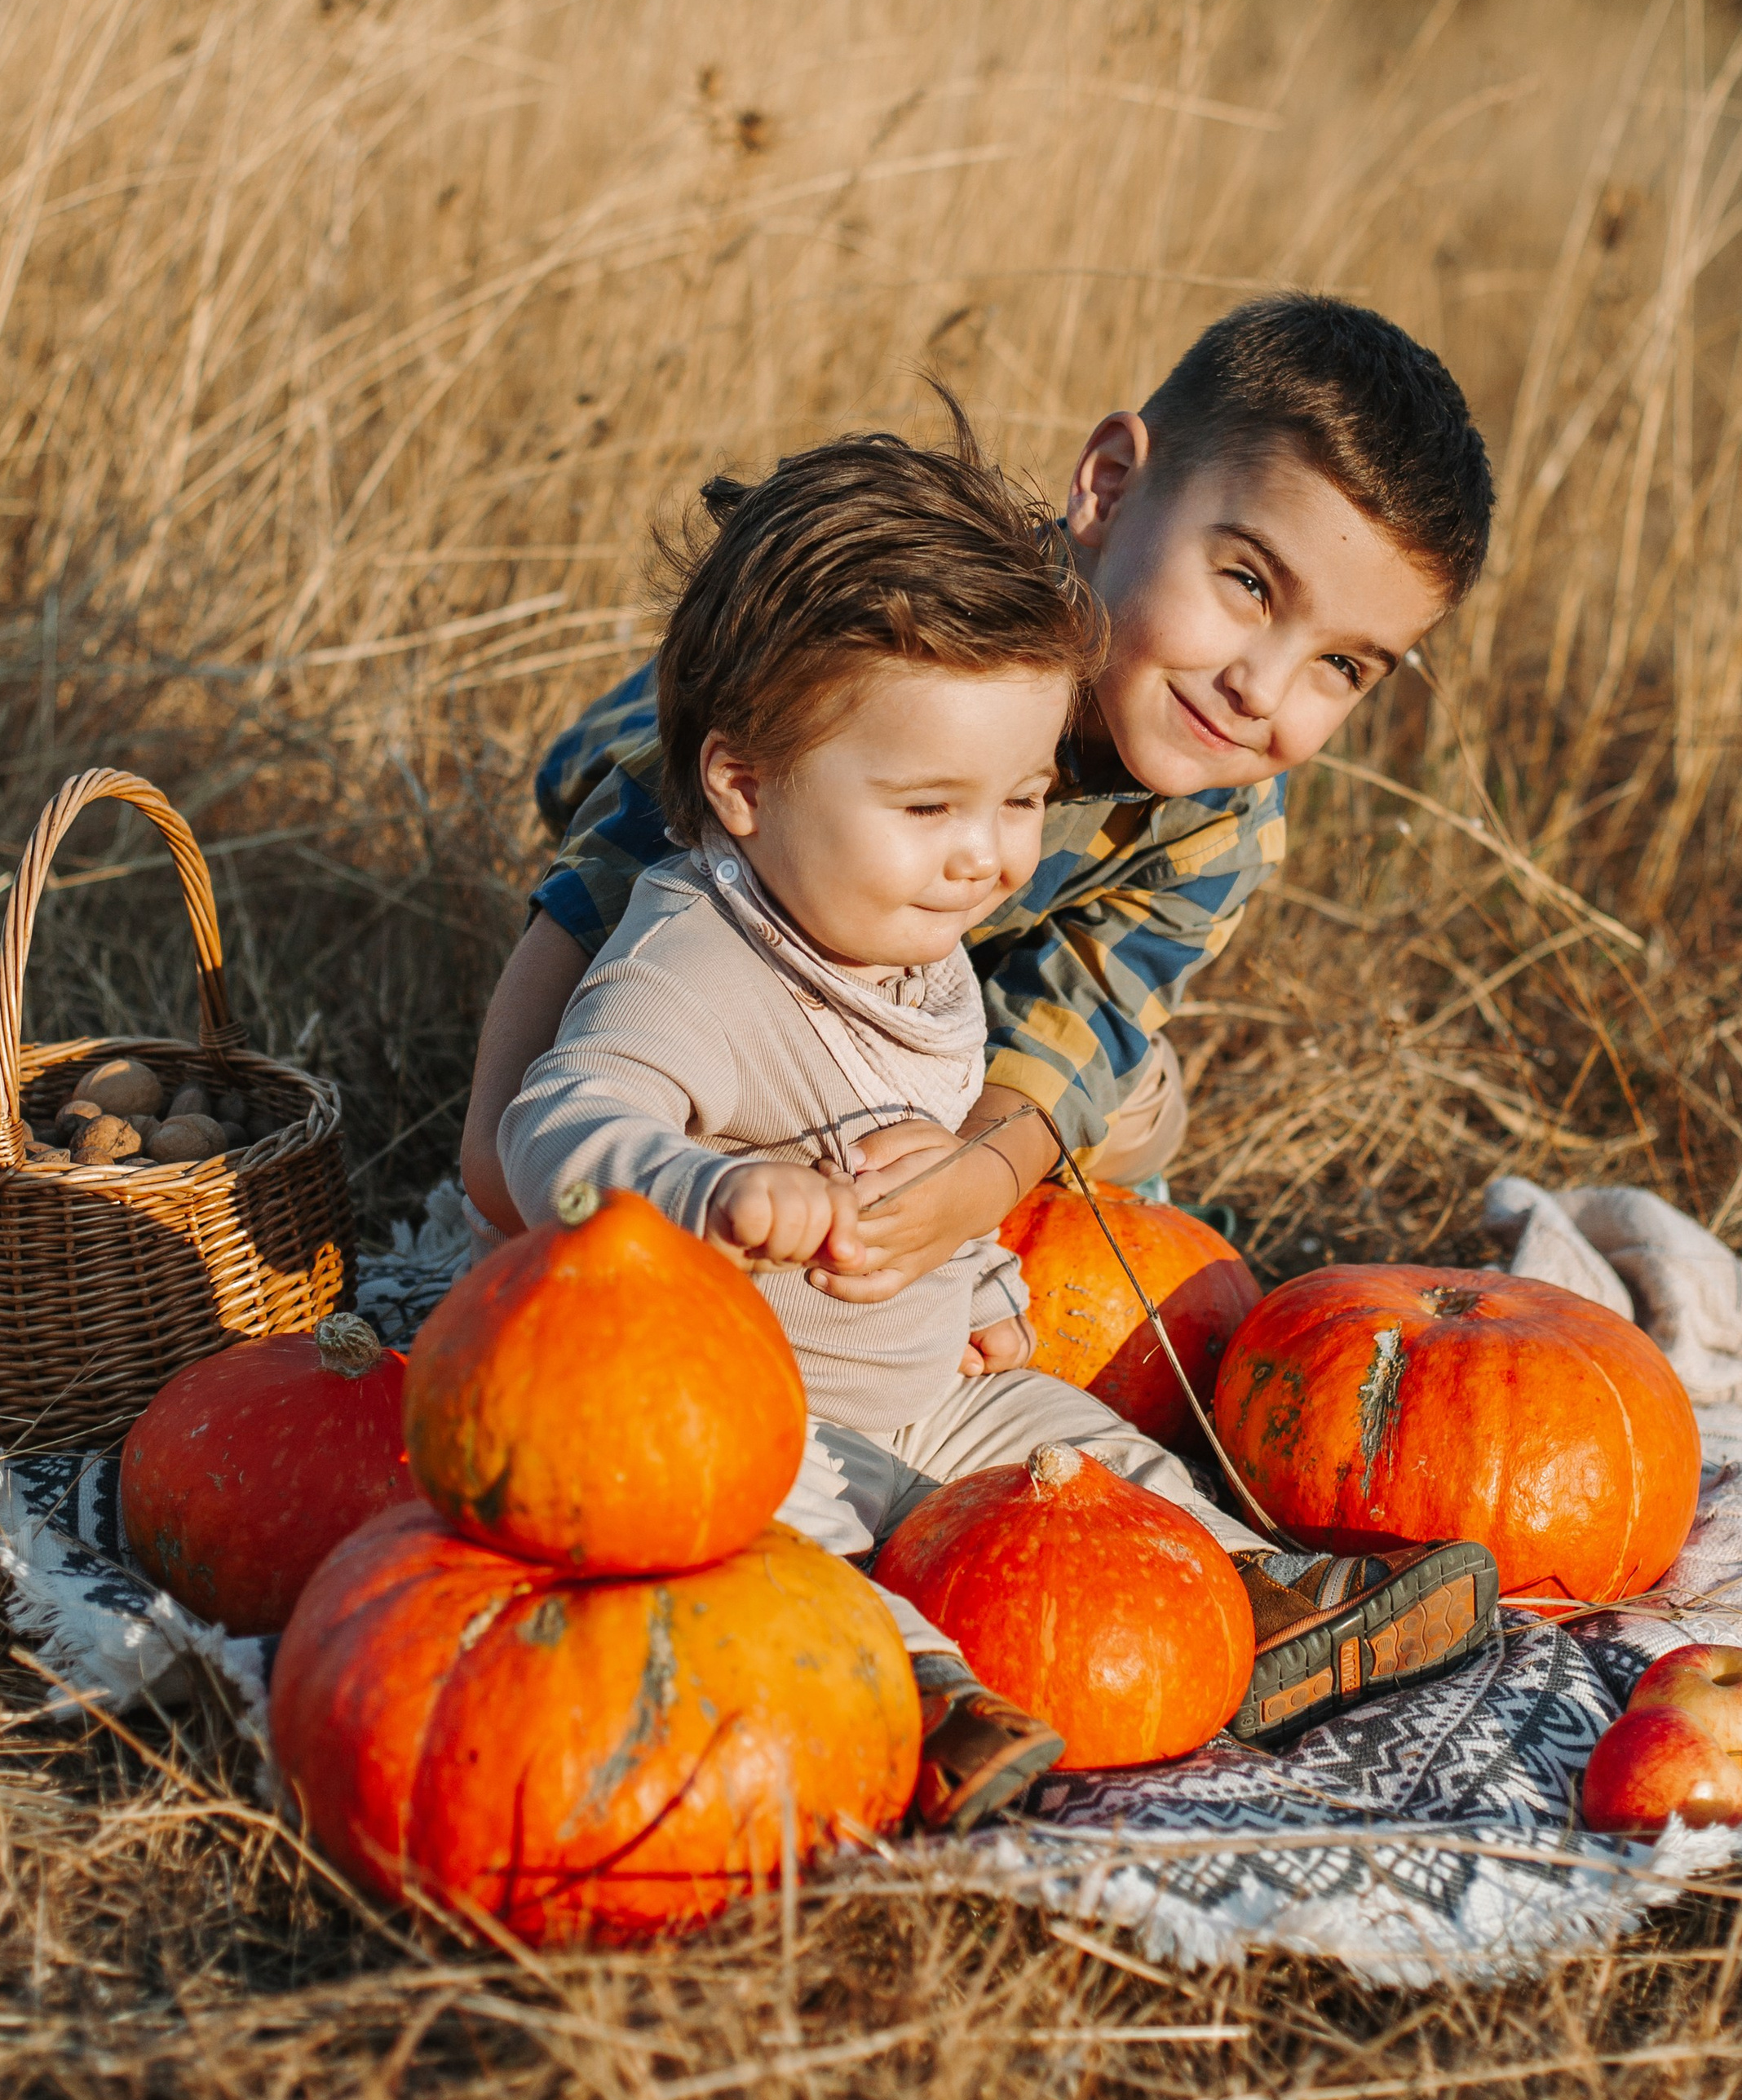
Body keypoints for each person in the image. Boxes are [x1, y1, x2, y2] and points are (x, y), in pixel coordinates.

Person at [486, 365, 1499, 1828]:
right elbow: (543, 1114)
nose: (1265, 688)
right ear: (1105, 491)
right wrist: (670, 1177)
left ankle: (1246, 1585)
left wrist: (966, 1232)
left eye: (1345, 666)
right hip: (744, 1371)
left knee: (1075, 1436)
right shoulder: (767, 778)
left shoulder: (1150, 834)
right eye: (1243, 584)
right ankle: (922, 1699)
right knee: (783, 1531)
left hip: (897, 1230)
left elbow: (1044, 1038)